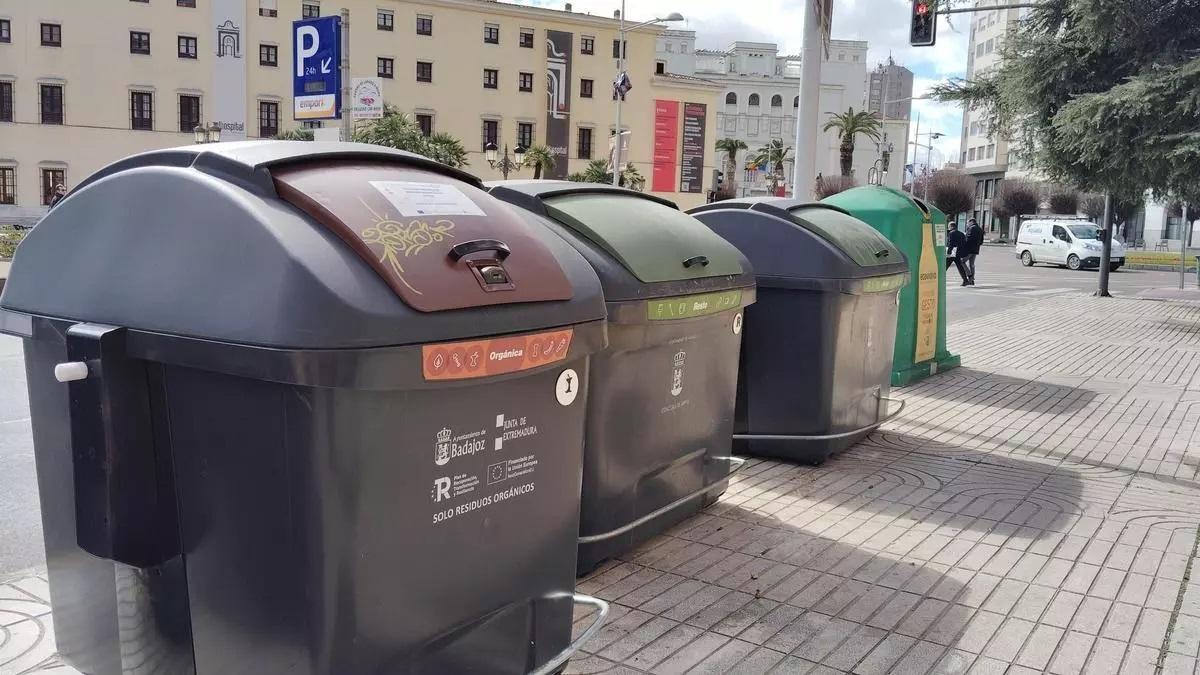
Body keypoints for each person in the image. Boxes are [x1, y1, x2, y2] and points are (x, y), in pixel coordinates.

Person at [962, 217, 984, 285]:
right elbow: (981, 241)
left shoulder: (971, 228)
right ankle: (972, 280)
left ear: (971, 222)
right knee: (971, 264)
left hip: (969, 249)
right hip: (976, 249)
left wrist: (963, 244)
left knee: (962, 261)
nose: (967, 224)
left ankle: (970, 276)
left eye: (968, 223)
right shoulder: (980, 229)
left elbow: (968, 238)